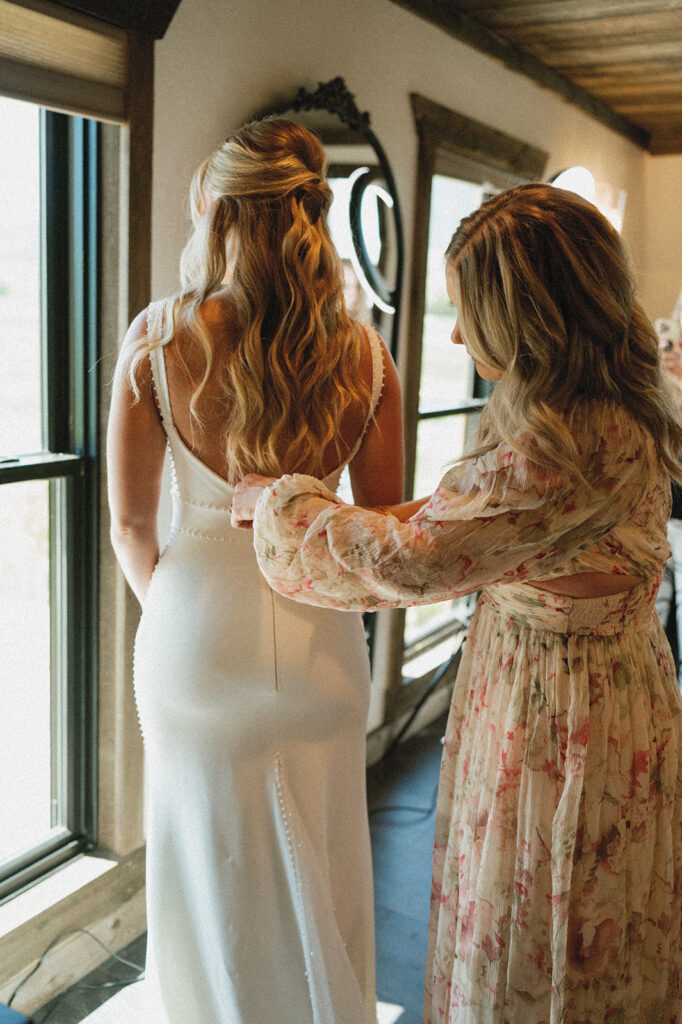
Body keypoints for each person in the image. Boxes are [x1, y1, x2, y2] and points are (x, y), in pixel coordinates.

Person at [233, 184, 682, 1023]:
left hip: (557, 714)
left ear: (533, 319)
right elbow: (463, 519)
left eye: (469, 312)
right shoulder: (617, 401)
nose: (452, 334)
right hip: (616, 687)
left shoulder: (559, 448)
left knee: (540, 920)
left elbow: (407, 565)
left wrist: (282, 503)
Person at [106, 116, 403, 1023]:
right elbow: (382, 532)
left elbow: (128, 522)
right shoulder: (365, 354)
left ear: (221, 212)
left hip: (193, 637)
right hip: (320, 642)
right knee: (323, 855)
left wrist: (182, 618)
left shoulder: (159, 339)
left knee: (208, 865)